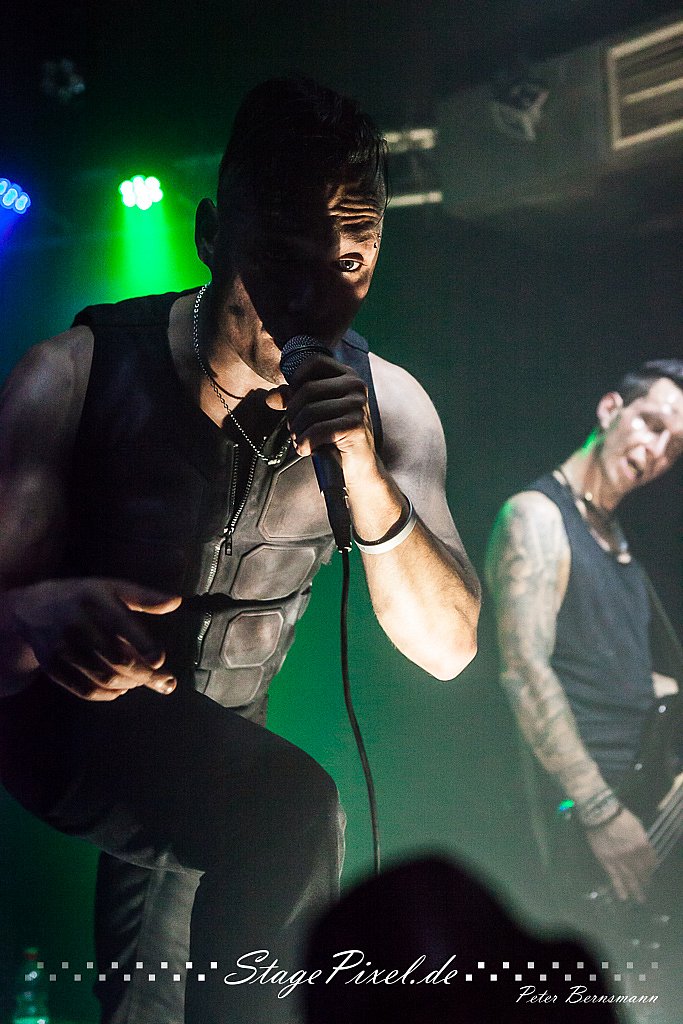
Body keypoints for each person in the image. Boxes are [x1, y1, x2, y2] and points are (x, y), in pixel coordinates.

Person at [0, 77, 480, 1024]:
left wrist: (363, 473)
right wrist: (33, 615)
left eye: (351, 259)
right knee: (288, 814)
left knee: (161, 980)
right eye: (284, 255)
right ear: (212, 234)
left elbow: (448, 649)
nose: (315, 296)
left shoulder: (388, 407)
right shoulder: (74, 374)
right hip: (63, 730)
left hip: (220, 752)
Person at [485, 361, 683, 1017]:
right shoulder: (537, 518)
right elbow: (524, 669)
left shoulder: (622, 550)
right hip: (590, 823)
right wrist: (600, 812)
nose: (658, 451)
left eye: (674, 446)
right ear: (609, 409)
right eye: (651, 424)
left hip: (648, 803)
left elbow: (614, 673)